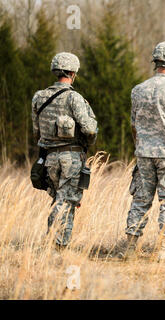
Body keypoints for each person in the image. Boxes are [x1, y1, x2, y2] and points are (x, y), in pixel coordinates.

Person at [122, 42, 165, 262]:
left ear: (156, 62)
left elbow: (133, 125)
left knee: (140, 201)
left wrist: (142, 145)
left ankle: (130, 249)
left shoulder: (138, 90)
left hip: (144, 154)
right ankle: (164, 250)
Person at [31, 52, 97, 250]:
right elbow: (90, 129)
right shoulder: (74, 98)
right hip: (71, 158)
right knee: (65, 201)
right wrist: (88, 141)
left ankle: (60, 247)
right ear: (73, 73)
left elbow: (36, 132)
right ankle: (54, 242)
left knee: (60, 199)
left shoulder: (38, 97)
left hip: (49, 157)